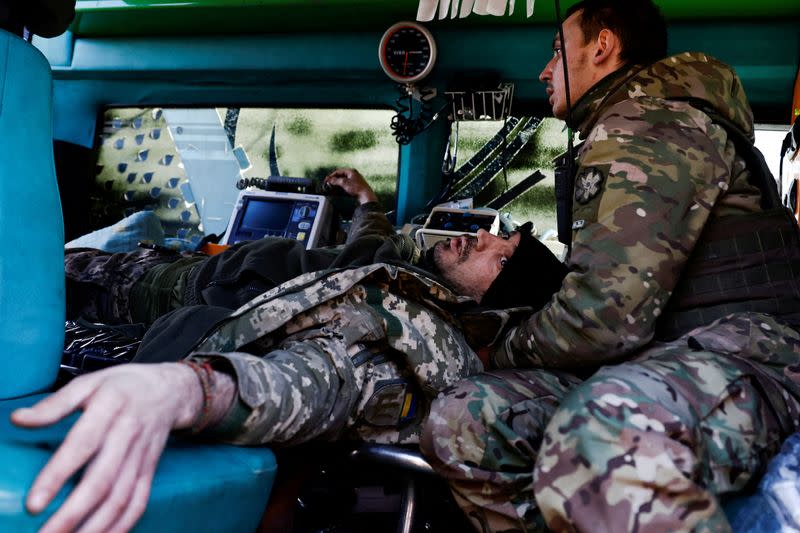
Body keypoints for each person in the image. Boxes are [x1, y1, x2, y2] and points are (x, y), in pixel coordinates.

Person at [11, 168, 567, 533]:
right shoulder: (411, 277)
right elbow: (368, 248)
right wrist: (368, 202)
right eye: (501, 235)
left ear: (498, 304)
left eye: (501, 257)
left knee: (34, 284)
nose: (485, 236)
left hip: (179, 337)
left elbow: (323, 380)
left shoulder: (424, 341)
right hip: (187, 311)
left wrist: (195, 390)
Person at [420, 1, 800, 532]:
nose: (545, 71)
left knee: (598, 437)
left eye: (557, 50)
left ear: (602, 47)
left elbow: (602, 316)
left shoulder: (649, 121)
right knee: (465, 420)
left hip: (750, 357)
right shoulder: (624, 124)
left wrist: (497, 352)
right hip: (665, 357)